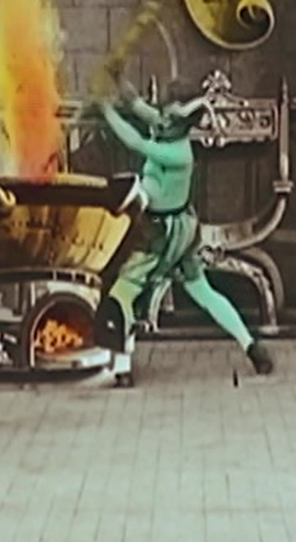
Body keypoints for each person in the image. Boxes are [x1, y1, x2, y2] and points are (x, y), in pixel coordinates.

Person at [92, 77, 274, 383]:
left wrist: (105, 109)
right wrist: (119, 80)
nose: (160, 119)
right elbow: (139, 107)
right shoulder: (169, 128)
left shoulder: (179, 154)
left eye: (169, 116)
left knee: (125, 289)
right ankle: (252, 348)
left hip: (162, 233)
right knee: (202, 290)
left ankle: (122, 369)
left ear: (182, 122)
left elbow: (136, 142)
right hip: (182, 228)